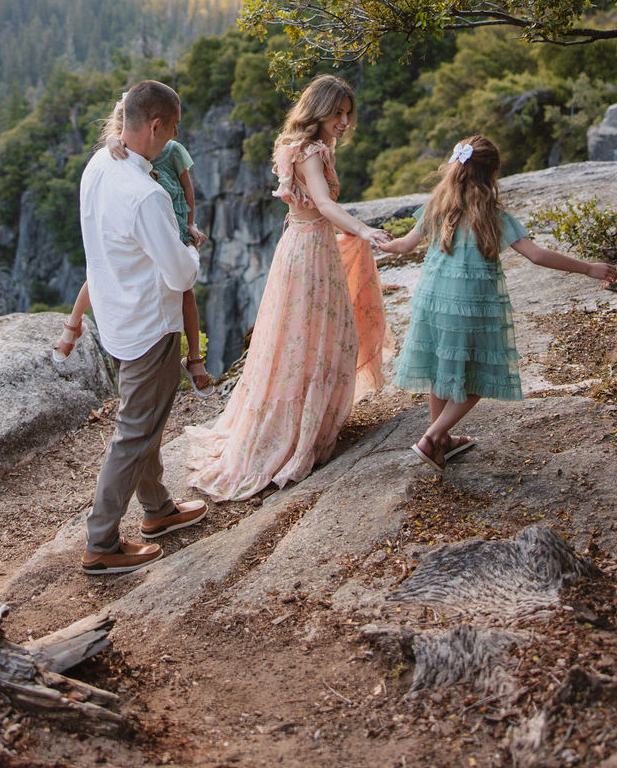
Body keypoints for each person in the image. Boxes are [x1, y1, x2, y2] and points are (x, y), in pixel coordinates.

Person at [185, 75, 391, 502]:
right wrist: (363, 230)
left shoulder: (291, 146)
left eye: (348, 113)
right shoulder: (312, 152)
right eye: (338, 112)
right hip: (311, 253)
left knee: (296, 339)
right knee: (314, 339)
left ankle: (303, 419)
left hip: (298, 248)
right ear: (319, 110)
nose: (345, 121)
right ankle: (301, 428)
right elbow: (326, 205)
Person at [376, 134, 617, 473]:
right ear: (492, 175)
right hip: (473, 305)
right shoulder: (493, 215)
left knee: (441, 371)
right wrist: (588, 268)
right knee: (477, 378)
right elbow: (536, 255)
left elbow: (403, 247)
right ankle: (432, 437)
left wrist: (378, 242)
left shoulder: (437, 208)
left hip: (433, 302)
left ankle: (442, 441)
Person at [78, 79, 208, 576]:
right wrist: (192, 245)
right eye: (172, 128)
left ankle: (157, 511)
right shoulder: (146, 195)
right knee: (135, 432)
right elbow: (179, 274)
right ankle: (101, 542)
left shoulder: (98, 167)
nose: (175, 137)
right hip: (149, 325)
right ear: (155, 126)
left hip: (114, 316)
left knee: (146, 419)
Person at [56, 99, 215, 397]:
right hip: (143, 221)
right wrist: (113, 141)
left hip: (170, 221)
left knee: (185, 291)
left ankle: (194, 359)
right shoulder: (119, 152)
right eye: (171, 126)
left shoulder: (171, 151)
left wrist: (190, 225)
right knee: (101, 273)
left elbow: (187, 189)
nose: (177, 132)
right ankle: (72, 325)